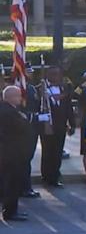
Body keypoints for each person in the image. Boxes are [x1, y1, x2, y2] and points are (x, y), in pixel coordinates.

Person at [0, 86, 50, 221]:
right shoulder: (7, 111)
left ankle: (11, 210)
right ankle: (9, 212)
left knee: (12, 183)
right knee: (11, 183)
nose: (20, 98)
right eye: (17, 95)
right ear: (10, 97)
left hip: (13, 152)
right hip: (10, 153)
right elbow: (21, 125)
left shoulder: (12, 109)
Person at [40, 66, 76, 187]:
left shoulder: (64, 89)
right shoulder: (41, 89)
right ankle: (45, 175)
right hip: (47, 126)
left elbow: (69, 109)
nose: (55, 76)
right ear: (48, 75)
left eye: (57, 74)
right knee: (47, 151)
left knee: (57, 151)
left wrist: (72, 124)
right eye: (52, 74)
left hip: (61, 126)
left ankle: (55, 176)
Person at [21, 62, 41, 198]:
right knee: (24, 159)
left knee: (28, 157)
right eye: (28, 72)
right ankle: (24, 187)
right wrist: (35, 116)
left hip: (33, 128)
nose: (31, 74)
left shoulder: (32, 88)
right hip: (25, 128)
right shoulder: (21, 89)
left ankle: (26, 186)